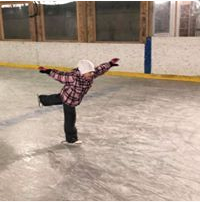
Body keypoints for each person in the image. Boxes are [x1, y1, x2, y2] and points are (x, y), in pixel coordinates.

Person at [38, 58, 120, 145]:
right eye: (90, 73)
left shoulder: (90, 74)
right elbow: (60, 76)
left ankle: (42, 100)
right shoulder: (73, 77)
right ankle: (71, 139)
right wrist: (48, 71)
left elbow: (100, 69)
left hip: (68, 95)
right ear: (82, 72)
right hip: (70, 100)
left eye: (92, 72)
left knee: (59, 98)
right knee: (70, 119)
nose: (92, 74)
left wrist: (110, 64)